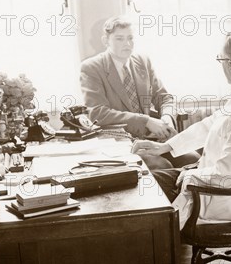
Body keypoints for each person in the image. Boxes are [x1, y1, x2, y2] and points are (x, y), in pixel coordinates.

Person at [131, 28, 231, 229]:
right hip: (227, 183)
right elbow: (214, 122)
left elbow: (226, 176)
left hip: (230, 197)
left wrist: (188, 176)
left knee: (141, 189)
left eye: (220, 60)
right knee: (147, 179)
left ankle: (157, 250)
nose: (220, 65)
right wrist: (167, 146)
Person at [80, 15, 199, 169]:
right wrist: (146, 121)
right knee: (162, 166)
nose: (127, 44)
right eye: (119, 39)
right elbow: (97, 113)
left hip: (151, 140)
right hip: (120, 143)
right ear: (105, 41)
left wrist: (167, 117)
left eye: (130, 38)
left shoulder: (142, 61)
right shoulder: (91, 67)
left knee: (193, 160)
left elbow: (164, 97)